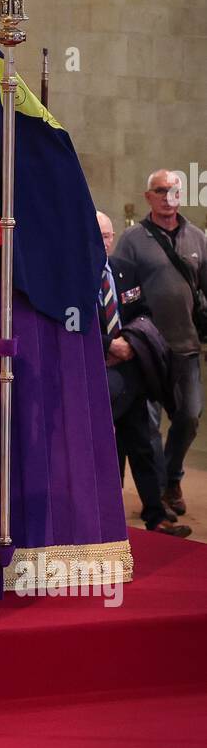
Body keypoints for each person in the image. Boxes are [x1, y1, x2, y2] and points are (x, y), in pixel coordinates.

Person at [113, 171, 207, 516]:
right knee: (148, 428)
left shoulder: (197, 238)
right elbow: (118, 291)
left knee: (190, 417)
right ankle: (159, 498)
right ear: (148, 196)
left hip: (186, 347)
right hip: (147, 351)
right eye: (161, 191)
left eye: (175, 191)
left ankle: (172, 476)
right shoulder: (132, 240)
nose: (169, 197)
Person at [96, 212, 190, 538]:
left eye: (108, 235)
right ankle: (104, 520)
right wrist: (108, 344)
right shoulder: (73, 276)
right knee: (104, 451)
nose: (105, 241)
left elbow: (144, 314)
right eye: (98, 235)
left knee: (143, 448)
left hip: (131, 374)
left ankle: (156, 516)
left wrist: (131, 343)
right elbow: (71, 324)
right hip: (95, 377)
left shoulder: (125, 269)